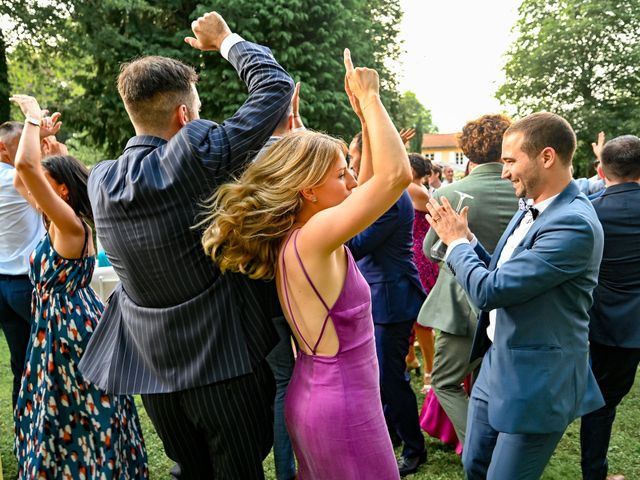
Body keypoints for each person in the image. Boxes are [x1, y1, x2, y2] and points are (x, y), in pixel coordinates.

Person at [77, 11, 294, 479]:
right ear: (183, 115)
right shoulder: (193, 151)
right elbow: (276, 88)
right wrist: (226, 40)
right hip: (224, 362)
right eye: (196, 112)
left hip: (152, 371)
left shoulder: (101, 179)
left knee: (190, 471)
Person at [201, 49, 410, 479]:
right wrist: (371, 99)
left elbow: (367, 183)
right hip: (344, 404)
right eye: (340, 175)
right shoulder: (315, 238)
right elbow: (394, 178)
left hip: (321, 394)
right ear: (308, 190)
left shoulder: (299, 233)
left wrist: (360, 127)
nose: (352, 181)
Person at [425, 112, 605, 479]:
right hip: (497, 361)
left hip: (538, 378)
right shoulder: (531, 205)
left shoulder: (573, 223)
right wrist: (470, 241)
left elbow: (491, 290)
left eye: (509, 160)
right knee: (473, 463)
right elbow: (499, 271)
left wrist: (456, 242)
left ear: (547, 157)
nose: (504, 171)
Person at [10, 96, 148, 479]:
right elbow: (24, 175)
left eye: (47, 181)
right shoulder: (54, 221)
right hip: (55, 330)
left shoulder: (71, 226)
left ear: (63, 192)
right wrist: (45, 144)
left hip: (72, 333)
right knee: (60, 409)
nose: (36, 188)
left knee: (83, 411)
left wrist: (33, 118)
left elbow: (23, 166)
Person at [418, 114, 517, 447]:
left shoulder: (452, 192)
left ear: (468, 150)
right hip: (514, 300)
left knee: (445, 382)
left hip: (461, 305)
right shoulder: (525, 189)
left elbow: (432, 250)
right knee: (487, 376)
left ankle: (477, 447)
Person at [346, 152, 427, 474]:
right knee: (383, 378)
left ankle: (414, 448)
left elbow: (356, 244)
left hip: (392, 298)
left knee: (391, 379)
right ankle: (393, 434)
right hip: (380, 296)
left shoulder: (391, 200)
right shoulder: (382, 197)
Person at [580, 135, 640, 480]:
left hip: (610, 324)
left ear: (601, 170)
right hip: (611, 322)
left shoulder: (590, 209)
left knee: (600, 404)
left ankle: (594, 474)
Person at [0, 121, 45, 410]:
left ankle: (23, 429)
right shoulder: (16, 179)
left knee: (21, 363)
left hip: (3, 288)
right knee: (52, 358)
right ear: (3, 148)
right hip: (25, 285)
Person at [404, 153, 438, 392]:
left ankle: (430, 370)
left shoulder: (416, 190)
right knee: (409, 316)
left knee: (421, 320)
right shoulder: (412, 188)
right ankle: (410, 359)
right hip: (411, 255)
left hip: (420, 258)